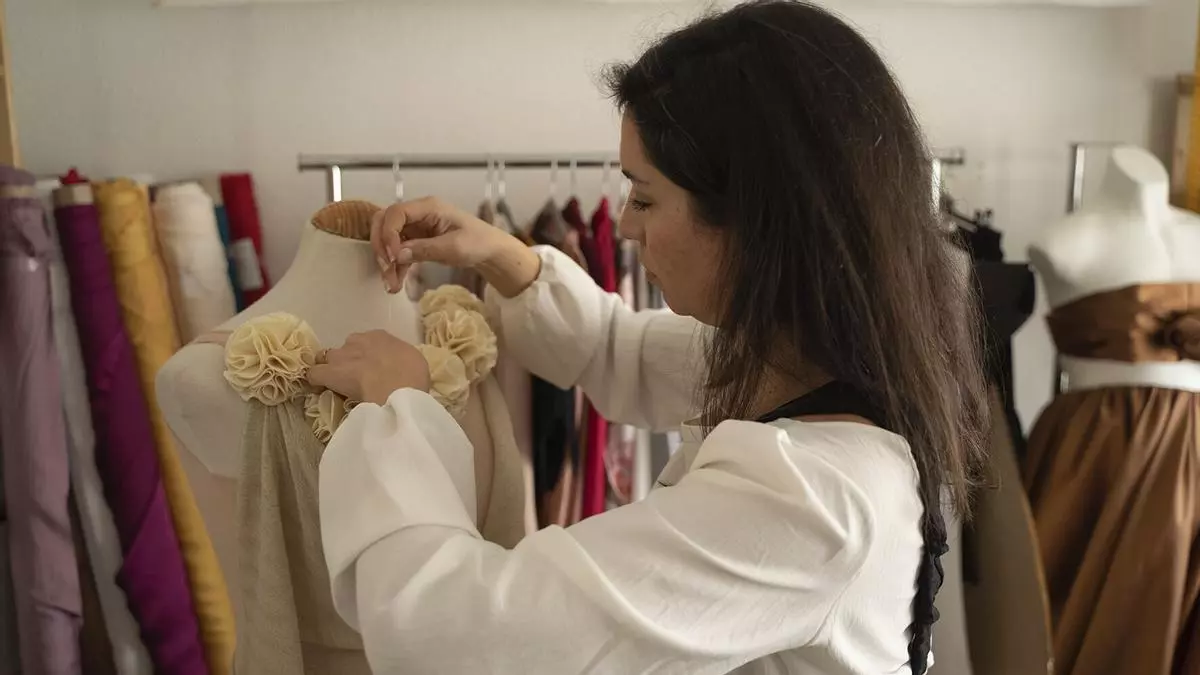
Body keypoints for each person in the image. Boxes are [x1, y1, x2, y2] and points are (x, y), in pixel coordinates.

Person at [308, 1, 989, 673]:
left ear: (754, 221)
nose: (626, 227)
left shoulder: (812, 496)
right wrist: (503, 257)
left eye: (643, 196)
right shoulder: (815, 362)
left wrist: (397, 411)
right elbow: (620, 349)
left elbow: (451, 634)